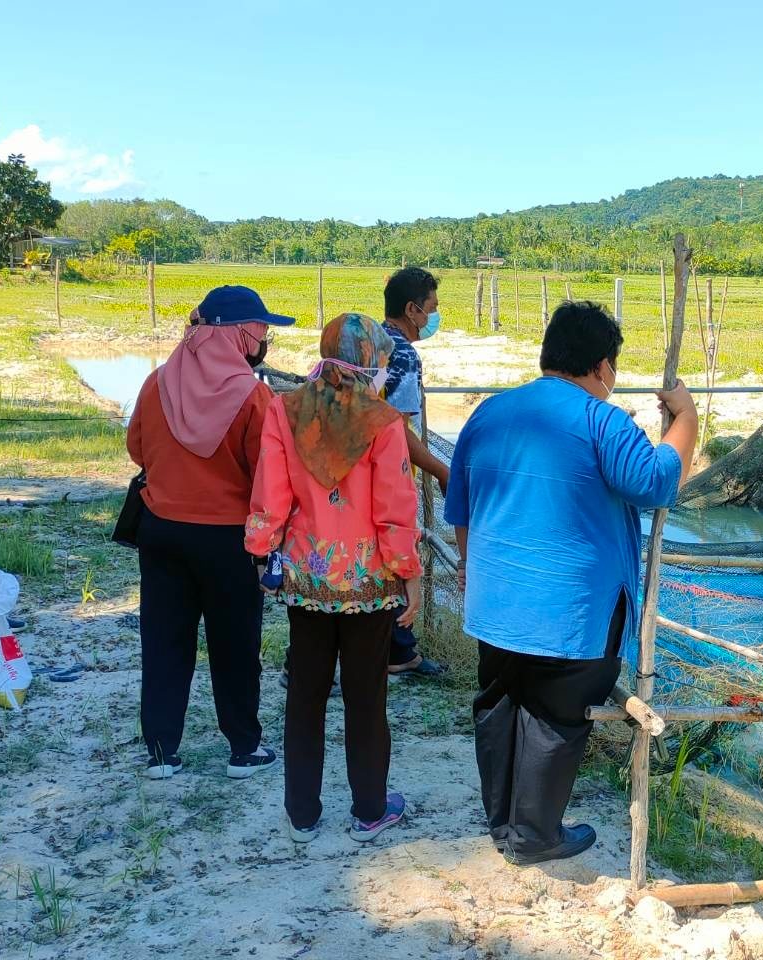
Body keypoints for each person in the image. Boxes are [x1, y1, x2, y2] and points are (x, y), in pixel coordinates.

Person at [444, 301, 697, 865]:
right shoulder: (601, 421)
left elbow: (460, 509)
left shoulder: (490, 414)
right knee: (556, 715)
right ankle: (534, 836)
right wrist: (686, 420)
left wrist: (474, 573)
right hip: (572, 609)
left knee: (499, 704)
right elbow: (656, 481)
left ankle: (503, 824)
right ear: (604, 366)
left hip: (497, 598)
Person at [247, 312, 424, 843]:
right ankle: (370, 810)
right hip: (369, 584)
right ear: (371, 359)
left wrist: (261, 552)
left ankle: (302, 813)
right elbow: (395, 509)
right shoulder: (385, 421)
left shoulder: (285, 409)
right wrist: (408, 573)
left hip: (307, 579)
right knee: (366, 698)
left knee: (305, 695)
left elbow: (270, 494)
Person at [126, 285, 288, 781]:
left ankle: (161, 752)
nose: (265, 340)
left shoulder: (156, 383)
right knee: (235, 645)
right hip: (227, 539)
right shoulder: (253, 395)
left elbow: (137, 449)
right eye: (262, 330)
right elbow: (267, 472)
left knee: (163, 640)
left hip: (161, 531)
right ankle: (243, 749)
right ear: (239, 336)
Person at [378, 267, 449, 679]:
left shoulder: (368, 340)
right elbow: (395, 432)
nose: (433, 318)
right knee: (396, 554)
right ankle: (399, 651)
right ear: (412, 309)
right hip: (386, 476)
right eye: (431, 309)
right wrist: (439, 468)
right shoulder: (403, 354)